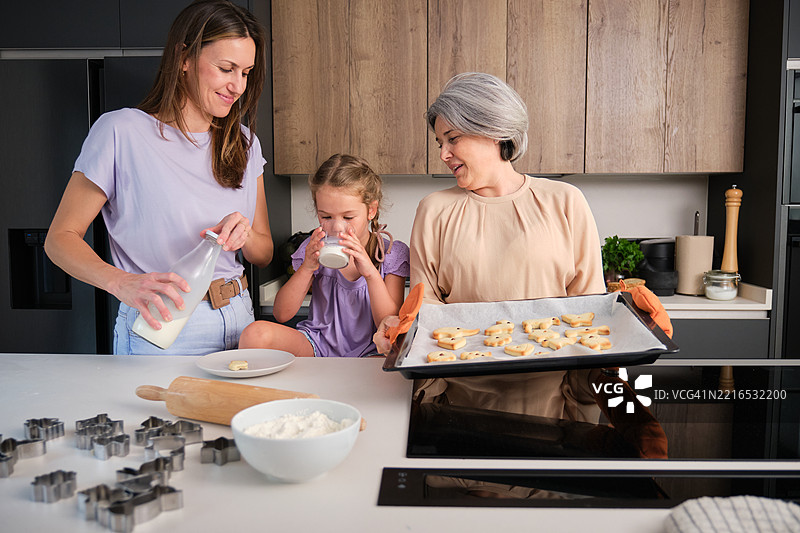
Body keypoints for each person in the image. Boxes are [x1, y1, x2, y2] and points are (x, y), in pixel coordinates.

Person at [44, 0, 273, 355]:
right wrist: (121, 283)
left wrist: (243, 234)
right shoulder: (121, 131)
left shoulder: (243, 142)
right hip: (163, 326)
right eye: (226, 68)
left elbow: (264, 252)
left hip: (240, 319)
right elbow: (59, 239)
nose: (237, 85)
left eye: (246, 72)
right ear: (184, 58)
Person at [374, 72, 607, 420]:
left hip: (553, 409)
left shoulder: (565, 201)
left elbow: (589, 314)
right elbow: (428, 311)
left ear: (495, 131)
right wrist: (399, 331)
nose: (444, 154)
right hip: (457, 411)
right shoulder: (434, 210)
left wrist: (583, 421)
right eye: (440, 143)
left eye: (453, 138)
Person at [239, 154, 409, 357]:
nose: (336, 227)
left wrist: (370, 273)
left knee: (390, 360)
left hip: (372, 350)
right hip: (317, 344)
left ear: (371, 210)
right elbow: (281, 314)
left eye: (348, 217)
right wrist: (307, 268)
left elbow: (389, 326)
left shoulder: (391, 254)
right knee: (255, 333)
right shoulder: (313, 248)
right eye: (326, 216)